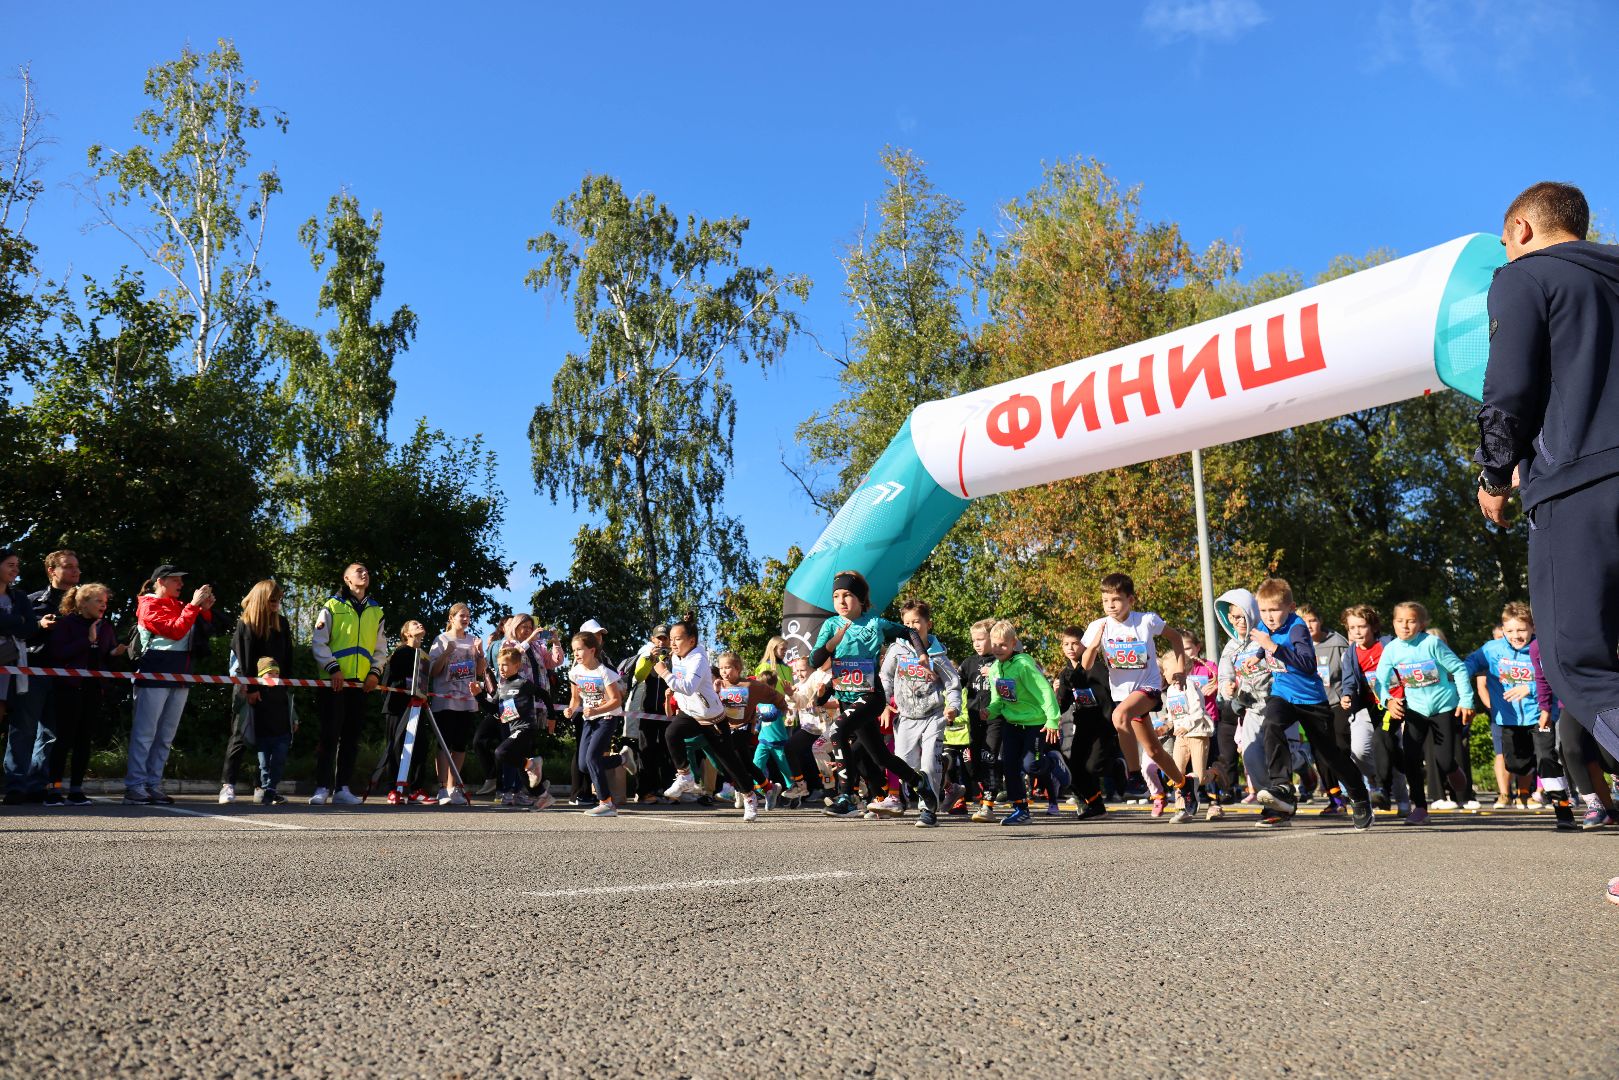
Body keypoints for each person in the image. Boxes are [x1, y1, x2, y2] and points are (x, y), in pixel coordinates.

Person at [1471, 182, 1619, 901]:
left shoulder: (1522, 277)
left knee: (1575, 662)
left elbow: (1509, 388)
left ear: (1522, 229)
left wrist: (1493, 474)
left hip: (1581, 485)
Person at [807, 571, 939, 821]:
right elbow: (815, 660)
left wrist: (922, 654)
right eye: (836, 596)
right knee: (881, 756)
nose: (841, 601)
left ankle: (846, 796)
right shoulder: (830, 625)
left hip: (871, 695)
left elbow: (909, 633)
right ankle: (919, 783)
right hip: (847, 697)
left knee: (837, 731)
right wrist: (832, 644)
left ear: (861, 600)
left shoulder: (874, 624)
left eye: (847, 595)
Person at [1250, 578, 1372, 830]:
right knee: (1271, 724)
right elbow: (1267, 643)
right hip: (1282, 694)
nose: (1269, 617)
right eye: (1264, 610)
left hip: (1312, 700)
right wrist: (1257, 655)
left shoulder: (1297, 628)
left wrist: (1271, 647)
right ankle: (1281, 788)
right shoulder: (1265, 624)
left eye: (1275, 610)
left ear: (1291, 608)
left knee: (1330, 755)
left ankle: (1360, 796)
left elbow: (1307, 664)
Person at [1080, 573, 1195, 815]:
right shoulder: (1097, 626)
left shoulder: (1145, 621)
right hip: (1123, 694)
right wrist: (1093, 645)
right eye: (1105, 600)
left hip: (1149, 688)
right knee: (1153, 751)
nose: (1110, 605)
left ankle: (1134, 776)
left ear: (1130, 600)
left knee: (1119, 716)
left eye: (1116, 600)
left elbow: (1175, 637)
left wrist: (1181, 670)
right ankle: (1185, 784)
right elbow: (1087, 665)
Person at [1466, 602, 1572, 828]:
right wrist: (1457, 676)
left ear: (1533, 628)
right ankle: (1535, 762)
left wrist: (1531, 688)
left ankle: (1563, 811)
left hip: (1541, 714)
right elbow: (1471, 662)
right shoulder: (1492, 649)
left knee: (1547, 758)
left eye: (1522, 630)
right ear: (1503, 630)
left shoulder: (1543, 649)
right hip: (1509, 718)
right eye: (1510, 631)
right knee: (1516, 764)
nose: (1516, 636)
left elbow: (1557, 678)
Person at [1374, 602, 1475, 826]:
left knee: (1444, 760)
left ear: (1421, 624)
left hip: (1443, 707)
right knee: (1411, 757)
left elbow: (1458, 668)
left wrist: (1466, 700)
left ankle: (1452, 770)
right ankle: (1420, 808)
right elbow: (1379, 682)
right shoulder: (1391, 649)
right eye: (1400, 621)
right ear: (1393, 623)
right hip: (1415, 709)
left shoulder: (1432, 643)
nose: (1405, 626)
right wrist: (1388, 701)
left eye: (1411, 621)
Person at [125, 566, 215, 806]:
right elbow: (174, 632)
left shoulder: (180, 604)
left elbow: (201, 633)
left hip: (181, 675)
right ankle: (135, 786)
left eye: (181, 580)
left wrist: (205, 611)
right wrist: (194, 606)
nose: (181, 584)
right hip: (154, 673)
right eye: (176, 580)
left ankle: (152, 785)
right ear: (161, 582)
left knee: (165, 736)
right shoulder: (148, 604)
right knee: (145, 734)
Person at [878, 599, 960, 828]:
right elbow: (885, 677)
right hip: (906, 717)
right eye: (907, 623)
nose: (912, 627)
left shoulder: (937, 655)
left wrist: (952, 707)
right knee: (905, 765)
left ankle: (928, 810)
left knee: (928, 765)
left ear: (928, 624)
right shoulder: (897, 649)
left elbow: (953, 684)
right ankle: (943, 772)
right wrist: (883, 704)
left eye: (917, 622)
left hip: (933, 715)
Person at [4, 549, 77, 804]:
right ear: (51, 571)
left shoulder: (85, 602)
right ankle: (15, 785)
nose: (75, 572)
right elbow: (19, 631)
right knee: (22, 729)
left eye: (76, 567)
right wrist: (39, 625)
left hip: (67, 677)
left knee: (51, 734)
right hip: (34, 670)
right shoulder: (32, 600)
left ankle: (38, 785)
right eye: (68, 566)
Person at [309, 563, 385, 806]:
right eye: (358, 571)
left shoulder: (376, 611)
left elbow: (380, 649)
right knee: (329, 735)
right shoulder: (331, 605)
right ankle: (322, 787)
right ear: (346, 578)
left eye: (366, 570)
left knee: (351, 737)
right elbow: (319, 641)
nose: (364, 573)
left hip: (360, 684)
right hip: (334, 682)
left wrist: (375, 673)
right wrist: (333, 668)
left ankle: (342, 787)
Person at [42, 583, 124, 805]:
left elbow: (105, 657)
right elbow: (58, 654)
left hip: (93, 689)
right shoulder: (67, 624)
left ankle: (76, 789)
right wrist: (86, 640)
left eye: (105, 601)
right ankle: (54, 789)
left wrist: (115, 653)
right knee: (64, 738)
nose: (103, 605)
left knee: (84, 740)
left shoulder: (105, 626)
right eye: (98, 600)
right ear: (83, 602)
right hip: (68, 688)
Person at [980, 620, 1063, 826]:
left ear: (1013, 643)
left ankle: (1052, 763)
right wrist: (989, 711)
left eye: (1003, 644)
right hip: (1012, 724)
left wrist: (1053, 720)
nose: (998, 649)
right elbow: (998, 699)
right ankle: (1021, 810)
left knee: (1031, 765)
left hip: (1035, 724)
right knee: (1009, 768)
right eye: (995, 644)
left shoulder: (1024, 665)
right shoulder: (995, 670)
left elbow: (1045, 691)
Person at [221, 579, 292, 805]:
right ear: (262, 598)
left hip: (275, 690)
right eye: (272, 599)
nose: (277, 603)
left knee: (270, 739)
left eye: (279, 599)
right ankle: (228, 785)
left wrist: (287, 689)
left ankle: (263, 788)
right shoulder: (246, 624)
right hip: (246, 687)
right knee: (240, 737)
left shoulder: (282, 623)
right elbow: (244, 658)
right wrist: (250, 689)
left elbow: (288, 658)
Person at [562, 629, 626, 817]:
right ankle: (622, 759)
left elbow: (616, 701)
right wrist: (571, 709)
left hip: (607, 717)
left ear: (592, 650)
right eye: (574, 651)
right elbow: (575, 699)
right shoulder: (575, 673)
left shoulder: (605, 672)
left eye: (580, 649)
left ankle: (606, 803)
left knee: (592, 759)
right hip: (589, 719)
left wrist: (598, 710)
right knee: (584, 765)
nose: (576, 654)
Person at [1300, 604, 1355, 817]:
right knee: (1320, 753)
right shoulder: (1298, 645)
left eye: (1312, 620)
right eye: (1304, 622)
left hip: (1337, 703)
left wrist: (1348, 695)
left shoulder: (1337, 643)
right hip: (1313, 705)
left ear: (1320, 621)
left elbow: (1349, 672)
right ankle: (1335, 799)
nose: (1309, 626)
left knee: (1340, 747)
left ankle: (1356, 789)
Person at [428, 603, 486, 807]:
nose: (465, 619)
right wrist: (446, 653)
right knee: (444, 744)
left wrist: (480, 653)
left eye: (468, 616)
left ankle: (455, 789)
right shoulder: (441, 639)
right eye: (462, 615)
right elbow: (433, 671)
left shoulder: (473, 640)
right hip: (445, 699)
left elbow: (479, 672)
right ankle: (442, 788)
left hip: (467, 699)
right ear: (451, 618)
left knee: (460, 745)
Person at [375, 621, 437, 805]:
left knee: (420, 746)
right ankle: (393, 790)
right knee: (396, 747)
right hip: (398, 707)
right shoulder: (400, 652)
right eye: (414, 624)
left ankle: (416, 790)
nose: (420, 624)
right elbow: (388, 681)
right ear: (407, 633)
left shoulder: (424, 656)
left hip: (417, 707)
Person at [0, 549, 45, 804]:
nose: (15, 569)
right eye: (10, 564)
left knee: (17, 726)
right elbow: (22, 623)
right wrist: (14, 621)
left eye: (17, 565)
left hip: (13, 666)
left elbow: (29, 627)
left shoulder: (18, 596)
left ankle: (14, 784)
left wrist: (10, 620)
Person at [1056, 625, 1114, 821]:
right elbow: (1061, 703)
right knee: (1075, 768)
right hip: (1082, 725)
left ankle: (1117, 774)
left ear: (1085, 645)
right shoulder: (1065, 673)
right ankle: (1095, 804)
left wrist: (1113, 726)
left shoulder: (1096, 669)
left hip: (1102, 725)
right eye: (1066, 644)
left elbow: (1107, 699)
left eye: (1075, 643)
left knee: (1092, 767)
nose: (1070, 648)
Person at [492, 645, 549, 806]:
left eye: (505, 664)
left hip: (525, 728)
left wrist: (551, 716)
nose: (501, 668)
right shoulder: (502, 687)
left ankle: (533, 764)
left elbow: (544, 694)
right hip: (512, 728)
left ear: (517, 666)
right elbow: (492, 708)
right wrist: (477, 696)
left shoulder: (523, 683)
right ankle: (544, 796)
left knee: (501, 752)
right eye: (499, 665)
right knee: (521, 769)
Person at [1160, 651, 1211, 825]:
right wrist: (1167, 726)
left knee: (1200, 777)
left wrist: (1185, 726)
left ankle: (1218, 772)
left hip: (1197, 733)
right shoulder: (1170, 690)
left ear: (1177, 669)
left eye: (1165, 668)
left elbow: (1198, 711)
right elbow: (1173, 715)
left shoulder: (1189, 685)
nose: (1163, 672)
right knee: (1176, 772)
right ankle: (1181, 809)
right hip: (1181, 738)